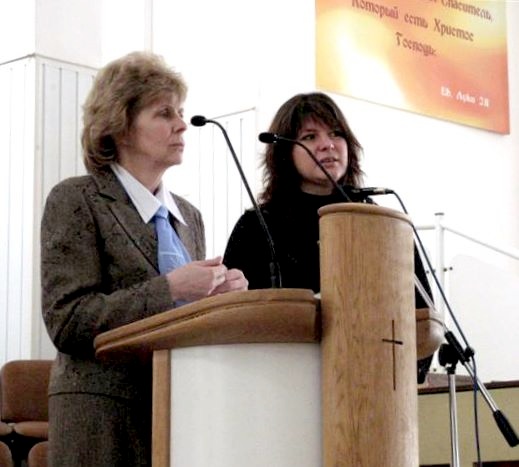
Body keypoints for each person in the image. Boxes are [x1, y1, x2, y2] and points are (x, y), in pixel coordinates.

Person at [40, 51, 248, 467]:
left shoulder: (189, 216)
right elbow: (68, 320)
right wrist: (171, 289)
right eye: (164, 113)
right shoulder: (77, 199)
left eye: (181, 112)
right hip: (102, 419)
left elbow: (183, 319)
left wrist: (217, 299)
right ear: (120, 125)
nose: (181, 125)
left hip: (181, 411)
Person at [223, 91, 433, 382]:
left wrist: (403, 374)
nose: (327, 145)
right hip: (283, 381)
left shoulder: (381, 223)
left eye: (336, 134)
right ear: (285, 152)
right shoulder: (258, 225)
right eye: (310, 137)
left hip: (375, 381)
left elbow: (421, 313)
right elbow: (233, 316)